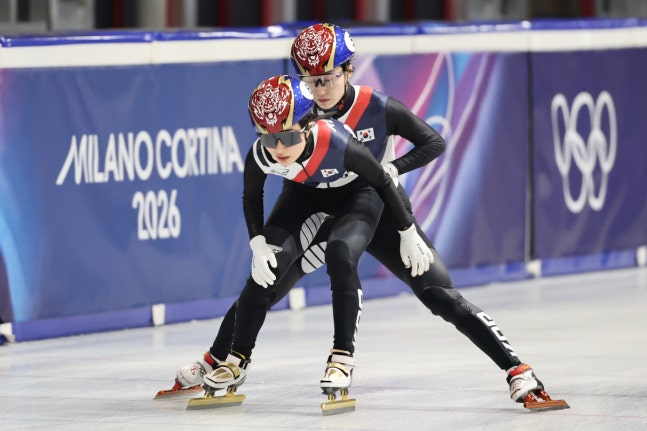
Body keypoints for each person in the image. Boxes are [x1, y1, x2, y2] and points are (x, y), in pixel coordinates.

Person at [176, 23, 566, 410]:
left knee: (436, 292)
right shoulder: (293, 113)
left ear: (349, 69)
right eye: (310, 80)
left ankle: (517, 370)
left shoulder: (377, 107)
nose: (319, 89)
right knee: (267, 280)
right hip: (309, 206)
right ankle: (216, 360)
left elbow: (432, 142)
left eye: (328, 77)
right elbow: (256, 182)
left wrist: (395, 170)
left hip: (369, 203)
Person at [194, 75, 433, 400]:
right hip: (305, 196)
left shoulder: (336, 141)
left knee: (340, 256)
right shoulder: (261, 154)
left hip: (357, 194)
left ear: (307, 125)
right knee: (265, 272)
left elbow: (382, 181)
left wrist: (407, 230)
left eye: (288, 136)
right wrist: (258, 244)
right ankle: (237, 360)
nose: (279, 149)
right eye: (269, 138)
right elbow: (251, 197)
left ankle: (342, 358)